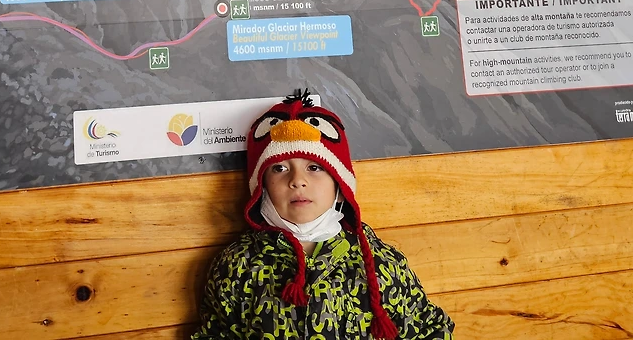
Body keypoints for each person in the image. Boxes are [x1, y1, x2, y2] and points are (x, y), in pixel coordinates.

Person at [193, 90, 453, 340]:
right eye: (280, 168)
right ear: (261, 186)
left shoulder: (381, 264)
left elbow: (429, 330)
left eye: (315, 167)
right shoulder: (237, 266)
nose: (298, 181)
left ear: (340, 185)